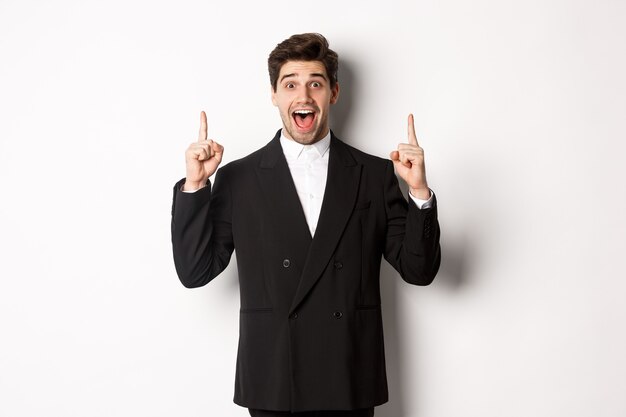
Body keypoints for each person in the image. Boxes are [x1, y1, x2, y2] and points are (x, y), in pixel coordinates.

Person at [171, 33, 441, 417]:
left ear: (333, 93)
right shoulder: (239, 178)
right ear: (274, 95)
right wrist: (196, 185)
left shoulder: (374, 174)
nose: (303, 95)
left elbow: (419, 270)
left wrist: (419, 193)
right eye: (291, 84)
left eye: (315, 83)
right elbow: (194, 271)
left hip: (349, 375)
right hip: (275, 379)